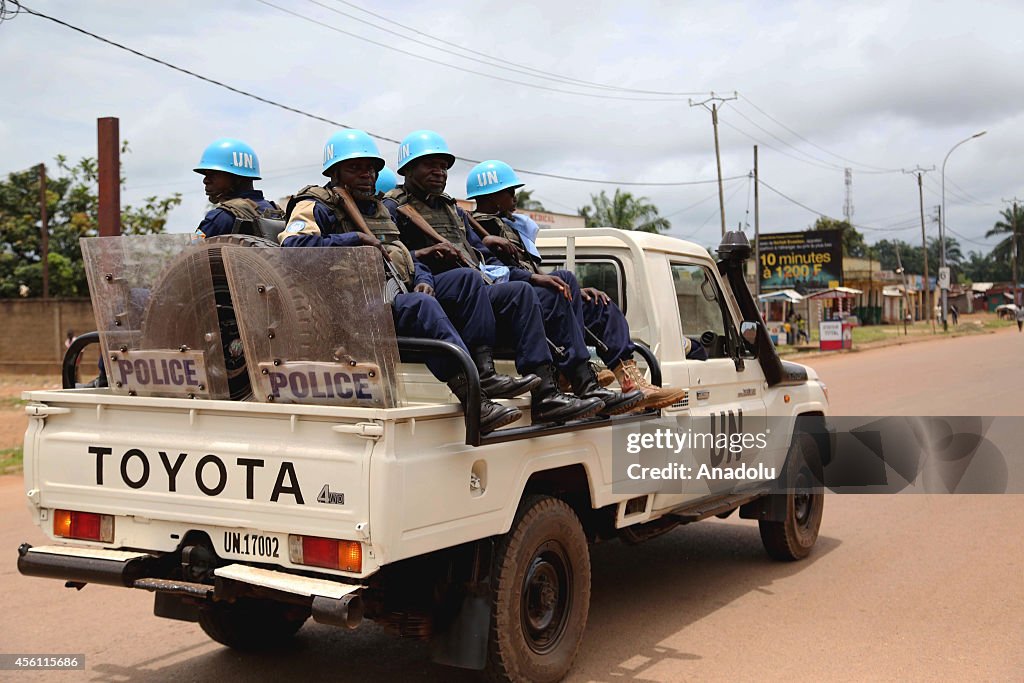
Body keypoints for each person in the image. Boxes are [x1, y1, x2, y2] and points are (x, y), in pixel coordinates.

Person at [281, 130, 598, 430]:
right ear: (334, 173)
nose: (366, 175)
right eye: (356, 169)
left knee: (465, 280)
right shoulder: (316, 205)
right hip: (351, 308)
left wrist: (422, 278)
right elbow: (291, 248)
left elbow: (402, 254)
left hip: (393, 291)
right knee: (422, 306)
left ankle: (499, 376)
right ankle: (476, 398)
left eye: (370, 169)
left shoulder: (377, 209)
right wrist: (353, 240)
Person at [383, 130, 643, 417]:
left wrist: (532, 276)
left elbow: (483, 255)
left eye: (443, 166)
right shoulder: (394, 207)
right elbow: (394, 257)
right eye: (430, 164)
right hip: (444, 296)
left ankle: (572, 384)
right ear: (407, 168)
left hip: (478, 286)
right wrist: (425, 258)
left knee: (554, 287)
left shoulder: (451, 210)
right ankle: (493, 373)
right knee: (512, 291)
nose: (439, 172)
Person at [466, 160, 689, 411]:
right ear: (493, 196)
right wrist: (538, 279)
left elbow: (533, 269)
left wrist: (569, 288)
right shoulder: (474, 230)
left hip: (534, 292)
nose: (515, 197)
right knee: (561, 283)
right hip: (514, 304)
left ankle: (630, 381)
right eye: (510, 191)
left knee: (598, 304)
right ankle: (579, 376)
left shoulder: (512, 227)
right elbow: (491, 274)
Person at [193, 138, 282, 238]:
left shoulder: (220, 218)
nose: (205, 180)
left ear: (237, 177)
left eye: (213, 174)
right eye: (206, 174)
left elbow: (191, 248)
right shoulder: (275, 212)